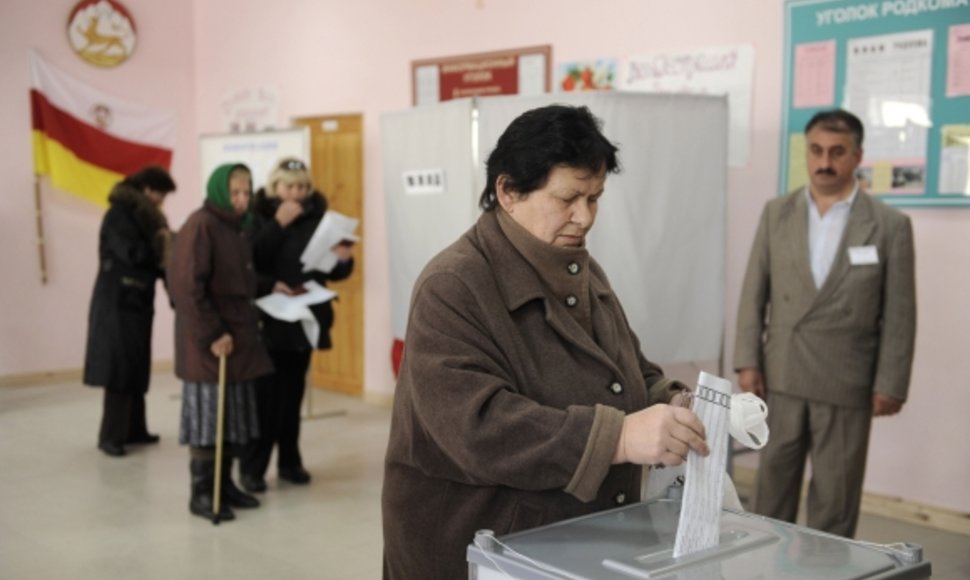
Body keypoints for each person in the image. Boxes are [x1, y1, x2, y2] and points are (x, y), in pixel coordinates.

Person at [381, 104, 710, 579]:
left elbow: (629, 371)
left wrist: (675, 402)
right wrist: (617, 438)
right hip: (479, 547)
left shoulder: (579, 267)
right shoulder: (452, 286)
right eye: (568, 198)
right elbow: (479, 429)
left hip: (571, 536)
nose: (585, 217)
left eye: (595, 198)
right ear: (508, 191)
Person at [734, 109, 916, 538]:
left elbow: (901, 313)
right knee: (770, 491)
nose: (824, 163)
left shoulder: (889, 226)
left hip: (847, 377)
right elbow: (753, 290)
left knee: (835, 497)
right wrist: (747, 359)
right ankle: (762, 567)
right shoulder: (777, 213)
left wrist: (890, 382)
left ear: (857, 156)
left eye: (836, 152)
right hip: (782, 371)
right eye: (816, 151)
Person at [238, 157, 355, 493]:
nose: (297, 193)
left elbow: (330, 271)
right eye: (289, 186)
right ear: (275, 186)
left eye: (302, 186)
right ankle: (253, 468)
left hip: (305, 317)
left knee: (292, 396)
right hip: (270, 317)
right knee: (265, 400)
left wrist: (344, 260)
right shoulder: (259, 217)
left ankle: (290, 463)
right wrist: (277, 224)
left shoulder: (319, 219)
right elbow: (251, 263)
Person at [169, 163, 274, 523]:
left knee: (229, 420)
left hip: (237, 342)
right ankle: (201, 493)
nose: (243, 200)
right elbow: (186, 288)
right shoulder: (201, 225)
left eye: (247, 192)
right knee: (207, 421)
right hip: (210, 346)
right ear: (219, 191)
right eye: (235, 193)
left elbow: (238, 282)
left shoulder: (237, 228)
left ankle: (224, 485)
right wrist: (213, 334)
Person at [83, 166, 176, 458]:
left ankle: (135, 429)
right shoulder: (120, 214)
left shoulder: (147, 217)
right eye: (160, 195)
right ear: (147, 189)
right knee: (119, 369)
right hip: (118, 302)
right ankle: (110, 435)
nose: (162, 202)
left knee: (136, 365)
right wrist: (164, 244)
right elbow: (132, 253)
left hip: (136, 301)